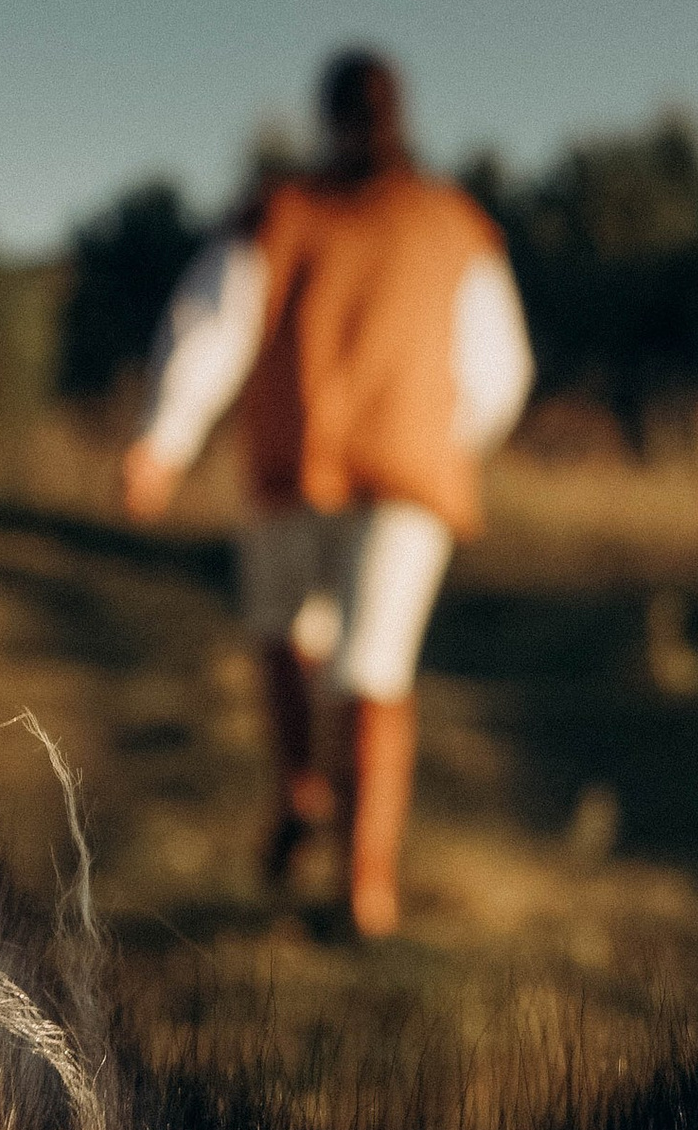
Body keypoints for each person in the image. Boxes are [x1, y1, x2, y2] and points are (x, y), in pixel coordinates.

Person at [121, 49, 533, 939]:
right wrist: (163, 442)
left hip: (352, 477)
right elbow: (214, 328)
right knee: (319, 653)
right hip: (337, 476)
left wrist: (162, 442)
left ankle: (353, 866)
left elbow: (214, 329)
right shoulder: (350, 218)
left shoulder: (380, 220)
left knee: (340, 658)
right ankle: (327, 827)